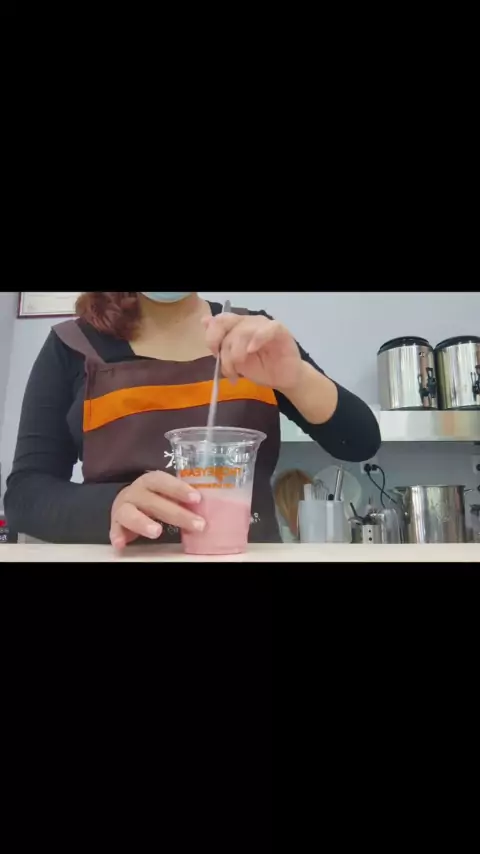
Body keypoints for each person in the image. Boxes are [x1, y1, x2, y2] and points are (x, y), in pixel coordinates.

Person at [5, 292, 381, 547]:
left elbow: (359, 442)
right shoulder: (71, 346)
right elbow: (25, 495)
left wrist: (296, 377)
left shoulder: (251, 337)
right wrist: (112, 504)